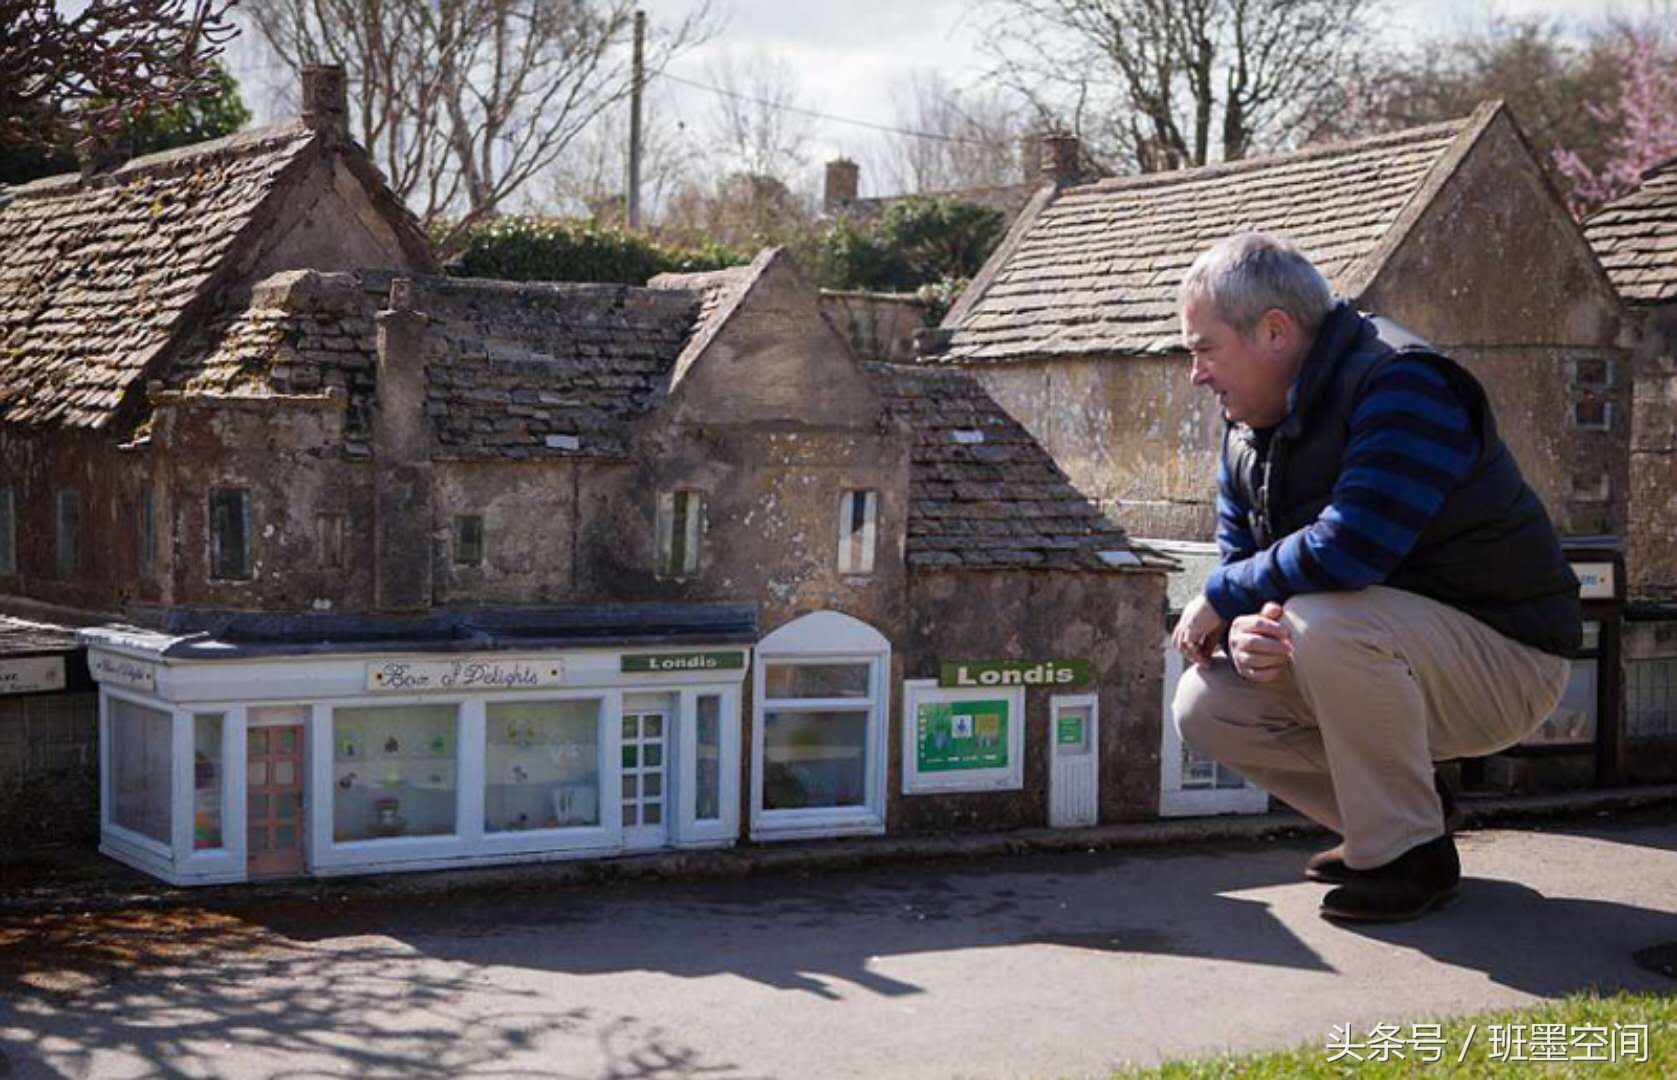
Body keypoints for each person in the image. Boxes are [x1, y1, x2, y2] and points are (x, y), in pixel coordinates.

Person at [1169, 233, 1580, 923]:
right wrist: (1246, 633)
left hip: (1509, 659)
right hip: (1380, 656)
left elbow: (1352, 546)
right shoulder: (1242, 431)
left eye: (1204, 348)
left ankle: (1406, 854)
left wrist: (1223, 597)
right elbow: (1241, 568)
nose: (1195, 373)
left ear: (1274, 332)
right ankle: (1399, 821)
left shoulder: (1402, 381)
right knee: (1205, 703)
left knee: (1328, 620)